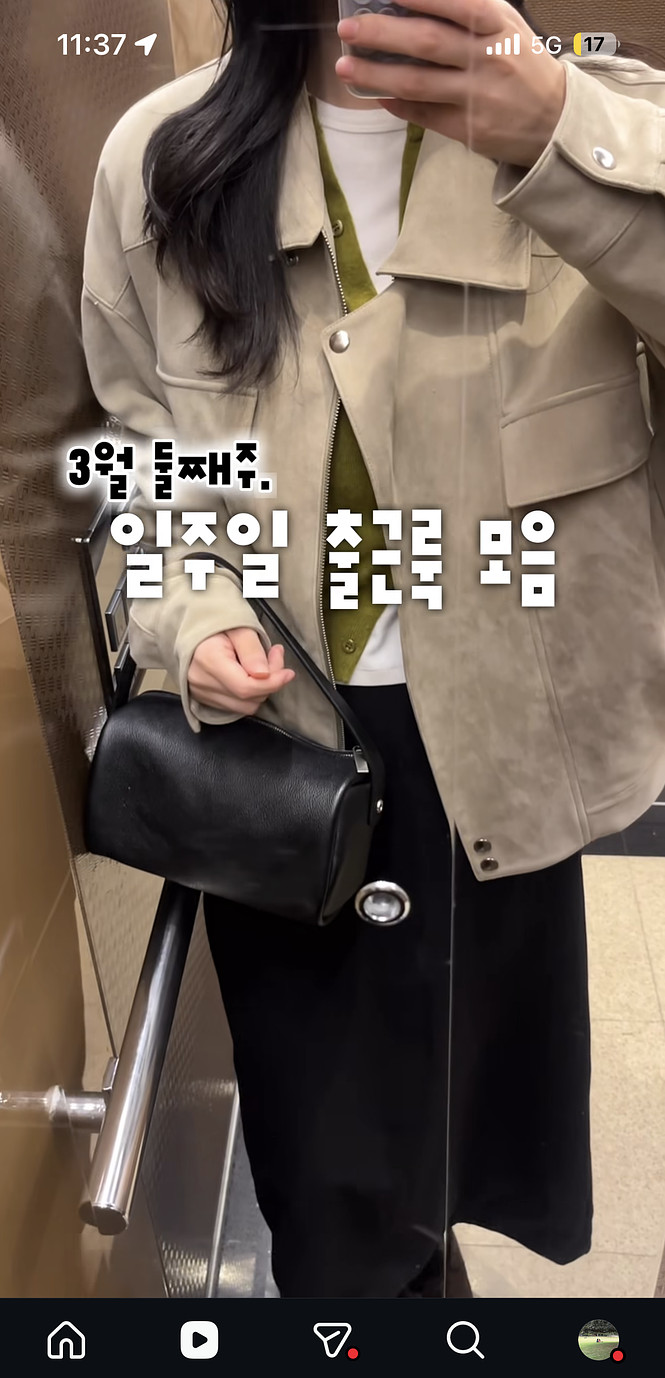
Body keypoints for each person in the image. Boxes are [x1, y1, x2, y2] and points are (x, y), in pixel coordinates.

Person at [80, 0, 665, 1297]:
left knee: (465, 1123)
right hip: (284, 755)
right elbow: (134, 451)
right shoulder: (165, 155)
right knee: (332, 1180)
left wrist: (556, 135)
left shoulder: (612, 125)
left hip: (505, 747)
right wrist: (192, 614)